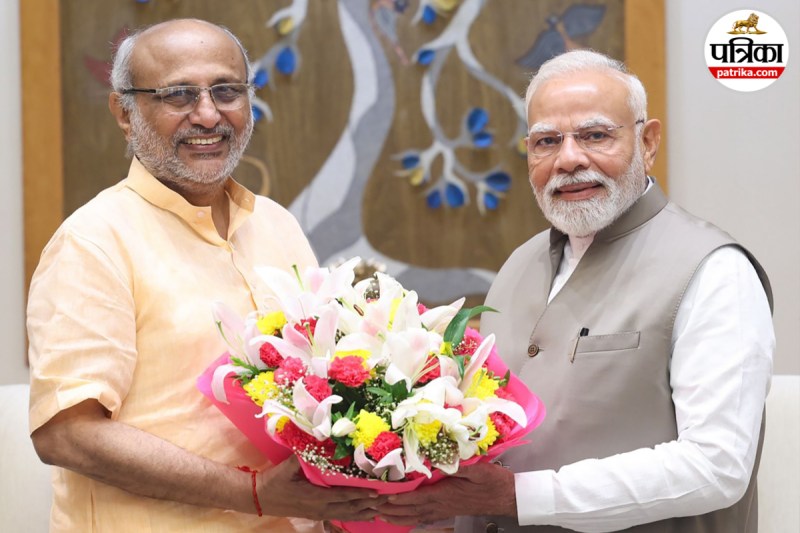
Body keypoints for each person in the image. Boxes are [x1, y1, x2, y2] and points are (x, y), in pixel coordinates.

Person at [378, 50, 774, 532]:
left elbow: (717, 466)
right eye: (547, 141)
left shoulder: (714, 271)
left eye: (595, 135)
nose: (568, 159)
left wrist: (519, 497)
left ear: (648, 142)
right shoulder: (519, 264)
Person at [27, 19, 383, 532]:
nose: (209, 114)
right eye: (178, 95)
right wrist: (252, 493)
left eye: (226, 91)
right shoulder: (93, 241)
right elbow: (66, 434)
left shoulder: (275, 224)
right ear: (124, 113)